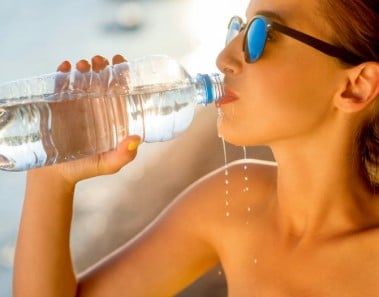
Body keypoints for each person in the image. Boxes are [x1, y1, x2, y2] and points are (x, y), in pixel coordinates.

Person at [13, 0, 379, 296]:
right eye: (237, 28)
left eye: (259, 36)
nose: (224, 58)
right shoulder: (234, 203)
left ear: (356, 86)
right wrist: (52, 170)